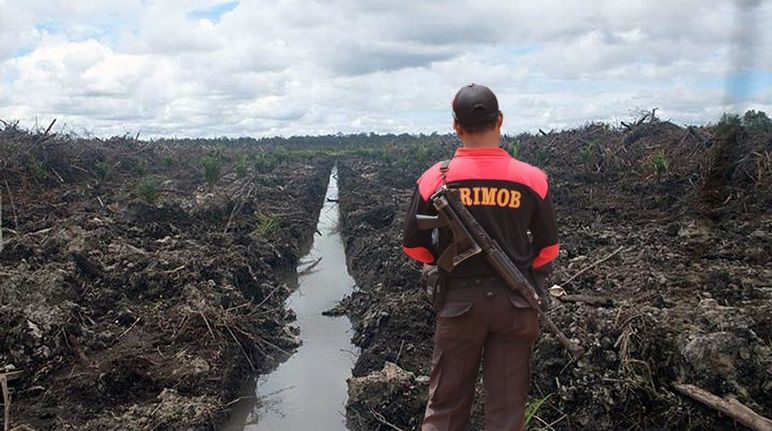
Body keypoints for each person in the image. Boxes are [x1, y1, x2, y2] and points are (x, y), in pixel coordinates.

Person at [401, 84, 559, 431]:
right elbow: (548, 247)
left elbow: (413, 245)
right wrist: (530, 277)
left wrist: (440, 263)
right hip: (517, 305)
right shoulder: (532, 178)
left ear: (456, 126)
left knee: (444, 411)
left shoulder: (434, 177)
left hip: (458, 305)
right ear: (500, 120)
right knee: (506, 416)